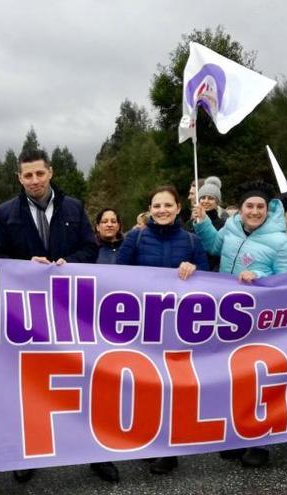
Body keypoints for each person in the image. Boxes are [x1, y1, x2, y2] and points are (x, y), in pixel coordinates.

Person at [0, 148, 109, 483]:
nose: (35, 180)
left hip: (69, 310)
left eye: (39, 173)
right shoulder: (4, 213)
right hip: (24, 313)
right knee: (27, 384)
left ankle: (95, 453)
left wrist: (69, 263)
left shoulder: (74, 207)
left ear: (50, 172)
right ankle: (27, 452)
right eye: (28, 175)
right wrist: (26, 268)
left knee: (82, 379)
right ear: (19, 178)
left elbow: (90, 248)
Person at [193, 180, 287, 467]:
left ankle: (261, 443)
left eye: (259, 207)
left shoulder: (284, 243)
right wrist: (203, 224)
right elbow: (214, 246)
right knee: (234, 380)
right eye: (249, 206)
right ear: (240, 209)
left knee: (260, 382)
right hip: (231, 319)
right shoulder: (232, 226)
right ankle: (238, 437)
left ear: (268, 209)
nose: (254, 211)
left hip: (263, 322)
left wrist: (261, 280)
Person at [116, 185, 209, 475]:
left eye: (168, 205)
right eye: (157, 206)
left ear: (178, 208)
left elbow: (209, 280)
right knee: (145, 385)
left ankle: (169, 448)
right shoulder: (135, 237)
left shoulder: (192, 241)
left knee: (174, 387)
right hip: (144, 325)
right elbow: (116, 275)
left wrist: (194, 270)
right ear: (150, 209)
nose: (162, 210)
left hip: (179, 328)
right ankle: (147, 440)